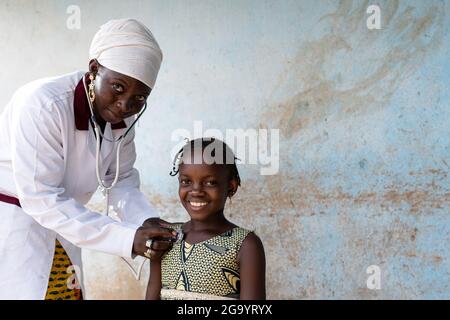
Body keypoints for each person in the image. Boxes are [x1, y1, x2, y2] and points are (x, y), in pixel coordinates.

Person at [0, 18, 176, 300]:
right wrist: (127, 239)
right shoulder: (43, 105)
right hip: (15, 228)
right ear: (94, 69)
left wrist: (146, 223)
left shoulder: (121, 120)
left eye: (140, 97)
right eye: (118, 87)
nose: (125, 105)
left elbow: (122, 182)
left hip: (63, 229)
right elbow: (40, 198)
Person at [145, 138, 266, 300]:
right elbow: (153, 291)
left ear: (231, 186)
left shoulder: (245, 244)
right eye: (186, 181)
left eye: (210, 182)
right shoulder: (166, 237)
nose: (196, 191)